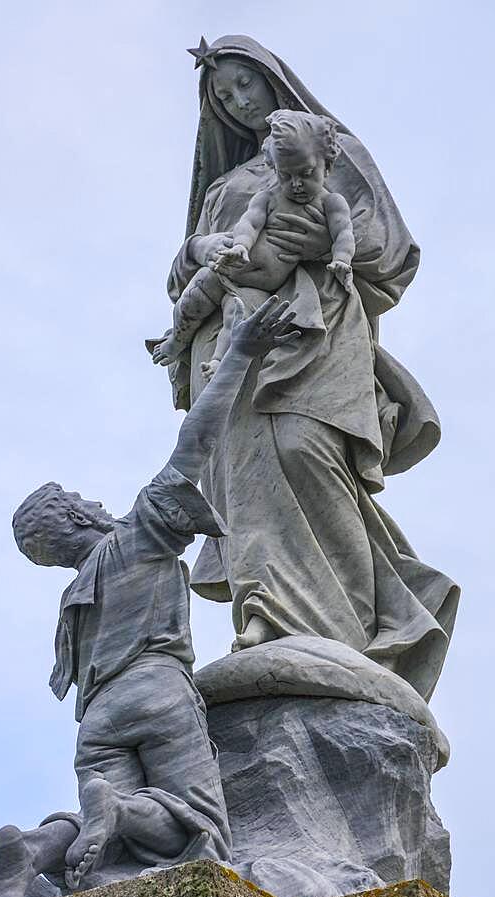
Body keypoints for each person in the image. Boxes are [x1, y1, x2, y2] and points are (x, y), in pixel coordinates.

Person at [0, 295, 298, 897]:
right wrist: (239, 354)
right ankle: (117, 808)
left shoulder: (73, 601)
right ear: (78, 517)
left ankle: (34, 851)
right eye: (83, 499)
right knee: (203, 827)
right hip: (155, 690)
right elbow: (196, 440)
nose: (97, 501)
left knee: (118, 846)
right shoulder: (136, 540)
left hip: (96, 720)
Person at [161, 35, 459, 697]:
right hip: (231, 341)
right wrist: (197, 255)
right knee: (244, 476)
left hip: (317, 328)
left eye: (245, 84)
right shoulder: (223, 186)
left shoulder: (334, 149)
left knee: (305, 453)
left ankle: (354, 629)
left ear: (273, 81)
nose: (239, 102)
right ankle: (263, 619)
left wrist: (324, 242)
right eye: (224, 95)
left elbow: (391, 251)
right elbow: (185, 270)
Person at [152, 108, 354, 381]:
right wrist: (235, 246)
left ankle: (217, 363)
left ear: (327, 166)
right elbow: (249, 224)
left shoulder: (332, 202)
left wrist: (339, 258)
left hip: (273, 293)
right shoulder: (263, 196)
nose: (296, 184)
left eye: (306, 173)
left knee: (237, 319)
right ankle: (177, 339)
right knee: (196, 294)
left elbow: (347, 234)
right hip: (232, 266)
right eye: (285, 176)